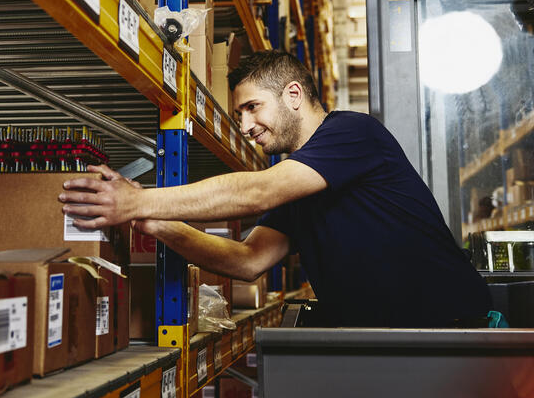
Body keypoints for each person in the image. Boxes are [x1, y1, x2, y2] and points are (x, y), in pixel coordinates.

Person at [60, 50, 492, 327]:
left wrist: (137, 199)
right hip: (388, 339)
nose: (245, 126)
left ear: (292, 94)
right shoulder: (302, 183)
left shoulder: (353, 134)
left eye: (252, 108)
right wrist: (153, 221)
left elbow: (258, 192)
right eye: (239, 114)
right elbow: (249, 260)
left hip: (452, 330)